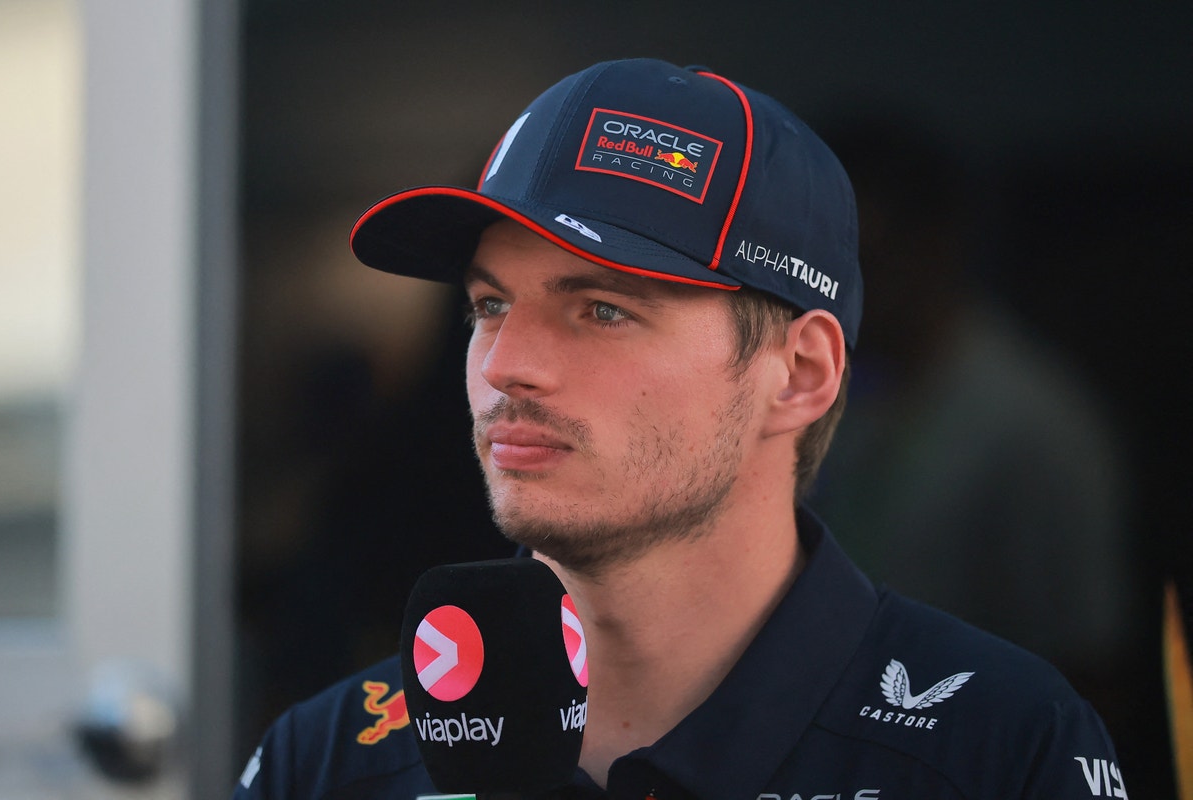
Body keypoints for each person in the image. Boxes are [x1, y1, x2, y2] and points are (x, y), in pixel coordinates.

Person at [233, 58, 1127, 799]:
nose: (506, 364)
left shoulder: (1001, 748)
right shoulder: (329, 761)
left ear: (800, 374)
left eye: (602, 309)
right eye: (489, 305)